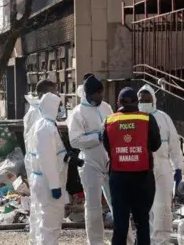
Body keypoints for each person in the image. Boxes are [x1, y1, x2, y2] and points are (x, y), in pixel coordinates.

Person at [103, 87, 161, 245]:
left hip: (118, 177)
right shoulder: (148, 119)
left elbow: (108, 147)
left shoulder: (109, 120)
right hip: (142, 177)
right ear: (136, 102)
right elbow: (156, 145)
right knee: (142, 222)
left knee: (120, 222)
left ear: (118, 103)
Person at [67, 74, 114, 245]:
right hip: (90, 163)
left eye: (101, 93)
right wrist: (97, 136)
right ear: (88, 94)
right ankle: (96, 242)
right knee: (93, 205)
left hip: (110, 161)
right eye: (97, 94)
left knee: (117, 202)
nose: (100, 97)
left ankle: (124, 239)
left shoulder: (106, 108)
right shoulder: (77, 113)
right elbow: (75, 141)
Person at [137, 85, 184, 245]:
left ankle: (162, 241)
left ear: (153, 100)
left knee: (163, 206)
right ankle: (148, 240)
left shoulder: (163, 118)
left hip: (162, 166)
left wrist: (178, 167)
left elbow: (174, 145)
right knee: (146, 208)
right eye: (141, 100)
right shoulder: (135, 118)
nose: (144, 103)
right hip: (142, 168)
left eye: (147, 100)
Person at [25, 92, 68, 245]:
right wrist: (55, 185)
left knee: (43, 223)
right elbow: (47, 159)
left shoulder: (44, 124)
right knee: (50, 226)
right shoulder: (46, 127)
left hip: (44, 180)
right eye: (59, 106)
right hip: (48, 182)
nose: (61, 109)